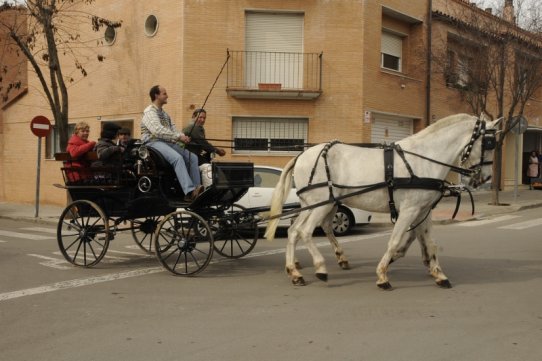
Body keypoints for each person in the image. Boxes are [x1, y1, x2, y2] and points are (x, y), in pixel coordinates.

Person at [141, 85, 203, 201]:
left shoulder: (164, 114)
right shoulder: (149, 112)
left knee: (193, 157)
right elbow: (157, 131)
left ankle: (196, 190)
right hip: (152, 142)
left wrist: (183, 137)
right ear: (156, 95)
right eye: (164, 94)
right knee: (177, 158)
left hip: (166, 142)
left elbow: (173, 129)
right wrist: (178, 136)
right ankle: (189, 192)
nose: (167, 96)